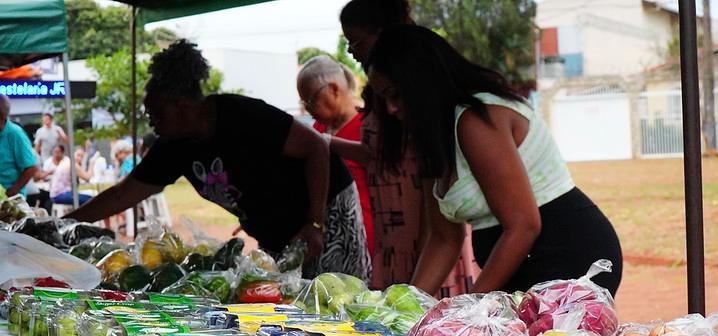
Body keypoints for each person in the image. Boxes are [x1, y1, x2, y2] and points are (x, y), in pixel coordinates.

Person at [68, 40, 370, 280]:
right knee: (292, 300)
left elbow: (316, 147)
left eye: (156, 114)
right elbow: (123, 193)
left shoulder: (243, 116)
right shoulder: (174, 145)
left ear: (182, 107)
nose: (153, 124)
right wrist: (65, 224)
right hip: (277, 228)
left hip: (326, 205)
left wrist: (315, 222)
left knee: (335, 294)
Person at [367, 26, 623, 295]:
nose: (391, 109)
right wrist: (405, 307)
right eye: (383, 99)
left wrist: (471, 305)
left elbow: (523, 225)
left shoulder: (474, 121)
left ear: (421, 81)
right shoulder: (434, 138)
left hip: (568, 256)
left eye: (395, 94)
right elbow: (444, 239)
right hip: (519, 265)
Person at [335, 0, 480, 297]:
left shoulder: (427, 107)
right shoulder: (385, 91)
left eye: (355, 41)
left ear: (381, 33)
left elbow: (442, 230)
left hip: (423, 225)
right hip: (395, 228)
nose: (351, 51)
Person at [297, 56, 374, 256]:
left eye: (311, 100)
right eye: (304, 102)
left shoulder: (366, 125)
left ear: (333, 89)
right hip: (327, 238)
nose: (308, 108)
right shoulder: (319, 127)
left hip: (364, 235)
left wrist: (322, 141)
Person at [0, 95, 39, 198]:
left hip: (10, 202)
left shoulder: (15, 134)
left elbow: (31, 168)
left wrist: (11, 193)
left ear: (3, 116)